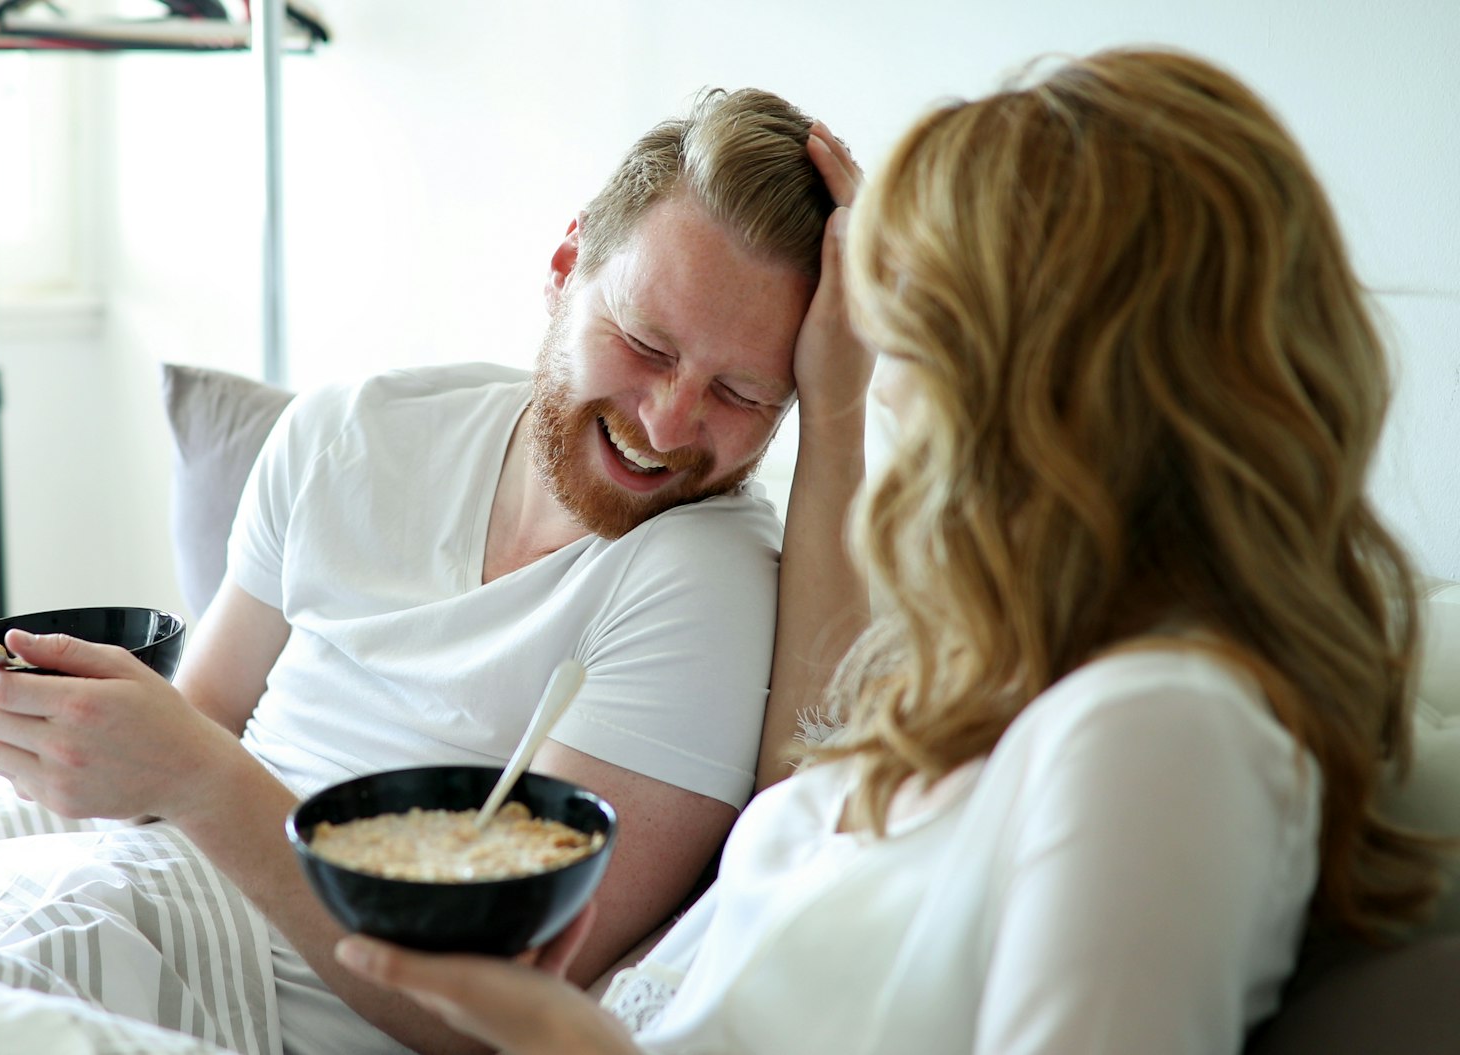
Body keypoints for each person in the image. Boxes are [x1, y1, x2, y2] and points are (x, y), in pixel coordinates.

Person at [0, 88, 867, 1055]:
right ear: (565, 268)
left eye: (745, 393)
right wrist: (75, 744)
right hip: (93, 861)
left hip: (242, 972)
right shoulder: (358, 432)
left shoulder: (704, 580)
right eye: (645, 343)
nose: (676, 422)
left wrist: (190, 770)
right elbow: (197, 718)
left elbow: (493, 1011)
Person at [330, 47, 1450, 1054]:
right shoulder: (1011, 682)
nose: (866, 343)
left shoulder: (1156, 732)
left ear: (1028, 375)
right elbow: (802, 777)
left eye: (900, 306)